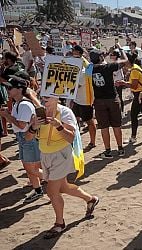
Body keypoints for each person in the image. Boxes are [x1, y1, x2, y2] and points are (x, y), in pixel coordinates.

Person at [28, 95, 99, 239]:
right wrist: (33, 127)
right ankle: (90, 199)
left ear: (57, 97)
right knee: (63, 187)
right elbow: (28, 138)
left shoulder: (65, 112)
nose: (44, 98)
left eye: (49, 95)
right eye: (43, 95)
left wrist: (58, 125)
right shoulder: (38, 113)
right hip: (46, 156)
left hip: (61, 155)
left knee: (52, 191)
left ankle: (59, 223)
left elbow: (71, 138)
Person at [0, 75, 43, 203]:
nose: (7, 90)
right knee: (28, 167)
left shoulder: (23, 104)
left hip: (28, 138)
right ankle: (38, 190)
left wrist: (7, 115)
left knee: (33, 169)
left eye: (10, 88)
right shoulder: (19, 103)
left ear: (19, 89)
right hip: (24, 138)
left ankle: (55, 181)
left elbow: (21, 125)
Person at [89, 48, 128, 158]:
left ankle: (108, 150)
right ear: (101, 58)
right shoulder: (108, 67)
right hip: (112, 99)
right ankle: (120, 149)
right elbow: (125, 61)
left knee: (104, 127)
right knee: (117, 125)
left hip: (99, 100)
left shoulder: (89, 69)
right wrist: (121, 50)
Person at [71, 45, 96, 152]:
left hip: (85, 99)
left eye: (74, 52)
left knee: (89, 121)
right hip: (77, 98)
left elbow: (77, 84)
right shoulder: (81, 63)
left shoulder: (85, 67)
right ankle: (76, 140)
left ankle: (92, 142)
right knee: (75, 120)